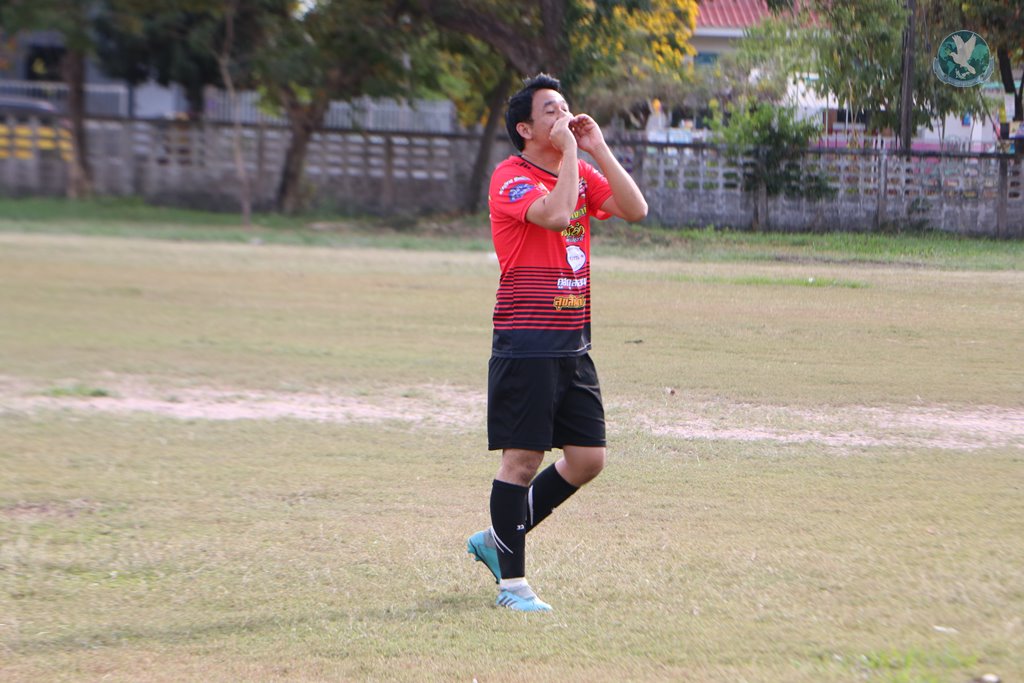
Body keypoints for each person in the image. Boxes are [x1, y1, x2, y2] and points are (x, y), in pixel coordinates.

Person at [466, 73, 648, 612]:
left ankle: (496, 539)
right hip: (527, 340)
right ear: (525, 129)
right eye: (550, 110)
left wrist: (596, 148)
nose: (563, 115)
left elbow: (635, 209)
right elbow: (557, 214)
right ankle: (512, 586)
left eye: (565, 106)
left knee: (588, 459)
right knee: (521, 461)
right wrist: (571, 155)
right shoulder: (510, 176)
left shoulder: (580, 169)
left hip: (573, 341)